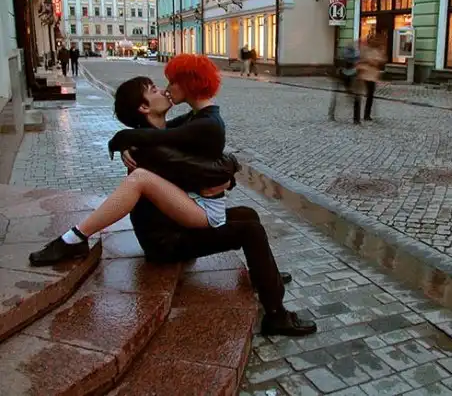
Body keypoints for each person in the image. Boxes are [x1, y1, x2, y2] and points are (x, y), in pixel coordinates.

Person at [29, 55, 317, 336]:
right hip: (167, 241)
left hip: (177, 224)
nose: (164, 89)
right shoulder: (152, 146)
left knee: (248, 215)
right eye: (154, 89)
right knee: (249, 230)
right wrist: (124, 140)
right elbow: (202, 166)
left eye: (166, 84)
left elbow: (198, 157)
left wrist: (124, 139)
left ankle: (264, 276)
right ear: (144, 107)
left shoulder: (165, 132)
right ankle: (276, 315)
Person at [329, 42, 361, 125]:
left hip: (345, 74)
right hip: (348, 75)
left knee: (338, 96)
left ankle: (331, 113)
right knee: (356, 97)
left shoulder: (345, 53)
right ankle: (356, 119)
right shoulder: (353, 54)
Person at [357, 35, 386, 121]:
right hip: (365, 75)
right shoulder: (366, 50)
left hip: (372, 76)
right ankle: (361, 115)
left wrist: (381, 55)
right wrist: (370, 62)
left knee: (370, 96)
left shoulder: (376, 51)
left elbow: (382, 61)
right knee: (364, 95)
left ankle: (366, 114)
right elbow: (361, 60)